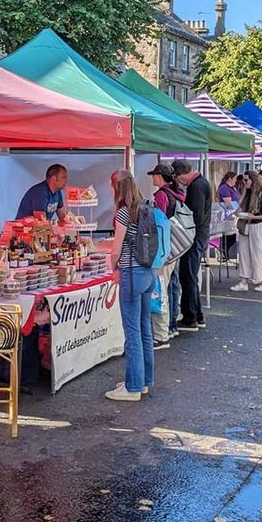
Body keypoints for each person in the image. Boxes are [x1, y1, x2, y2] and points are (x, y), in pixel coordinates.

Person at [105, 172, 156, 402]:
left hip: (131, 274)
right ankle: (144, 380)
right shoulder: (143, 208)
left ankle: (133, 386)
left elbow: (116, 248)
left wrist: (113, 267)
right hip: (147, 272)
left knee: (132, 332)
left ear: (117, 188)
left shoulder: (124, 212)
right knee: (145, 329)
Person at [149, 164, 186, 346]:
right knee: (172, 286)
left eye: (154, 175)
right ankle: (171, 326)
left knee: (161, 290)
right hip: (176, 246)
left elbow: (159, 222)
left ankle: (161, 334)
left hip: (164, 249)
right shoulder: (176, 194)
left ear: (160, 177)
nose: (151, 178)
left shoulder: (162, 195)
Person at [173, 160, 212, 332]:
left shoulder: (196, 186)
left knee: (187, 276)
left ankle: (190, 317)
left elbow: (194, 215)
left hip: (194, 236)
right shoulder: (202, 183)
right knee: (190, 276)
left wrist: (185, 234)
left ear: (180, 174)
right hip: (200, 235)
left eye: (177, 177)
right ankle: (197, 315)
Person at [232, 171, 262, 292]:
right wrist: (237, 213)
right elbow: (242, 208)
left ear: (253, 180)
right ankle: (243, 280)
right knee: (244, 253)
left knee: (258, 253)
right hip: (245, 225)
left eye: (246, 180)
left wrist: (253, 217)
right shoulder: (248, 193)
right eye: (243, 180)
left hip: (257, 225)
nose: (244, 183)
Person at [216, 171, 241, 260]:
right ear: (229, 179)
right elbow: (228, 202)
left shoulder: (233, 188)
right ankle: (223, 252)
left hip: (234, 214)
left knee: (232, 235)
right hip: (228, 214)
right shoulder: (224, 188)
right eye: (234, 179)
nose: (236, 181)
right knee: (228, 234)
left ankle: (225, 252)